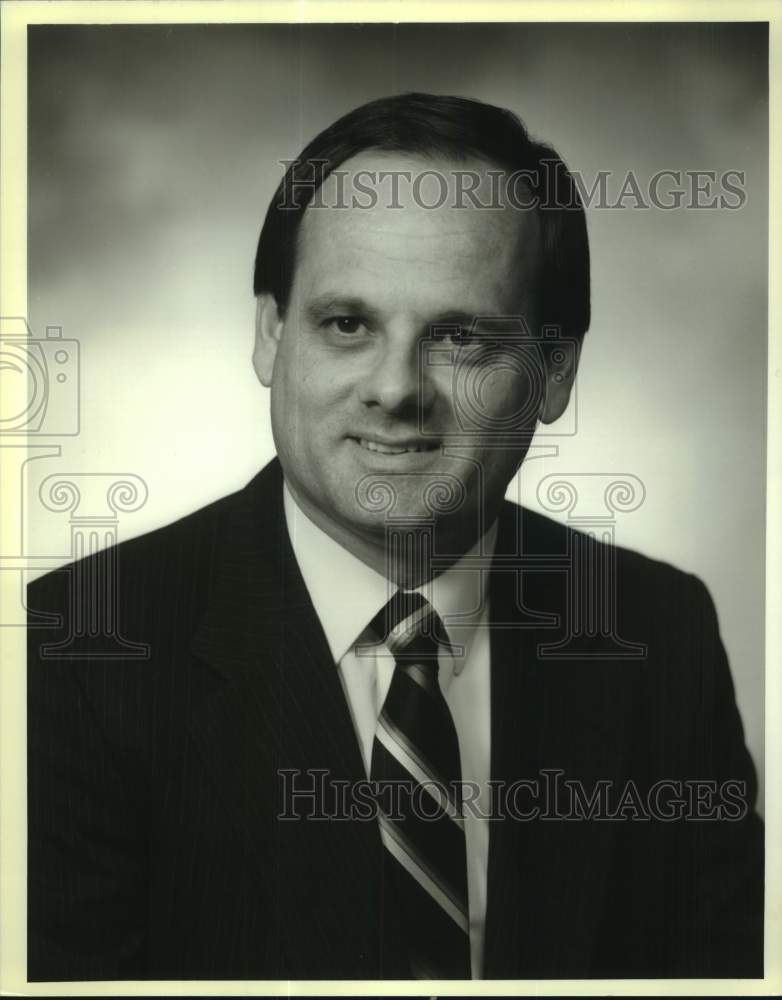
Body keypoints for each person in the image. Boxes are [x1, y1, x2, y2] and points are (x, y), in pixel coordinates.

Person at [27, 92, 763, 982]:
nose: (396, 388)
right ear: (270, 335)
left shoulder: (657, 631)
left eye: (461, 337)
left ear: (555, 372)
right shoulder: (70, 655)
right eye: (348, 324)